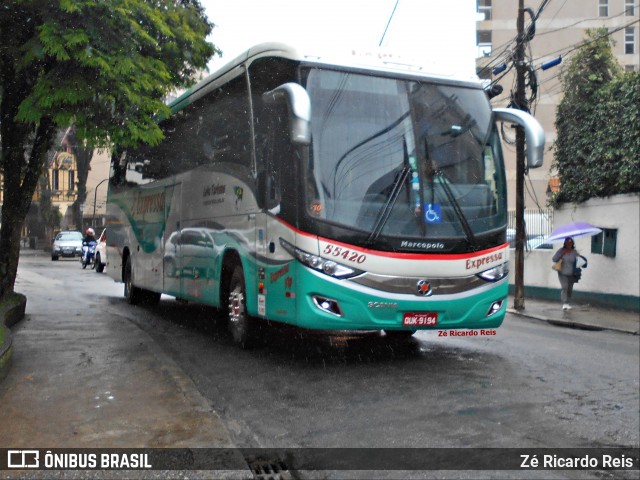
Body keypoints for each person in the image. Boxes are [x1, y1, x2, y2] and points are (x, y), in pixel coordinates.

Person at [552, 237, 583, 310]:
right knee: (564, 287)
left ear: (572, 243)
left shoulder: (574, 252)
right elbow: (554, 259)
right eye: (568, 243)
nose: (569, 244)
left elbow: (579, 260)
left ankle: (568, 303)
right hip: (562, 273)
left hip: (572, 273)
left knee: (569, 289)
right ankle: (564, 303)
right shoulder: (561, 250)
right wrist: (561, 255)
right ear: (565, 243)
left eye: (570, 242)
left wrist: (579, 256)